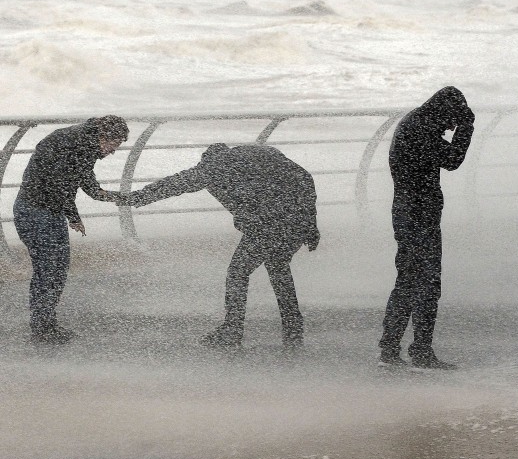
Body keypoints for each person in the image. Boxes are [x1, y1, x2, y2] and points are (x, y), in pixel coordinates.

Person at [127, 143, 319, 347]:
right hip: (295, 218)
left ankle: (232, 330)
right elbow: (302, 177)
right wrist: (310, 223)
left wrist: (139, 197)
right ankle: (292, 324)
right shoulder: (258, 158)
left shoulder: (217, 165)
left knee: (238, 272)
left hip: (271, 221)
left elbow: (178, 182)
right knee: (277, 265)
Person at [378, 86, 475, 370]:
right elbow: (453, 160)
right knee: (425, 283)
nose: (450, 127)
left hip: (412, 212)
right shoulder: (420, 128)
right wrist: (466, 128)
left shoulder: (416, 122)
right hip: (417, 214)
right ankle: (416, 351)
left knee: (410, 281)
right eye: (451, 120)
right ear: (443, 110)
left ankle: (394, 349)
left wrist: (460, 124)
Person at [14, 115, 130, 344]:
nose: (111, 152)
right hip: (35, 212)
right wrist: (74, 216)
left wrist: (111, 197)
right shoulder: (71, 142)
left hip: (48, 212)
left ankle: (46, 325)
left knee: (57, 269)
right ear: (103, 135)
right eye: (113, 146)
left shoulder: (84, 144)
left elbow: (83, 179)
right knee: (48, 271)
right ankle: (42, 329)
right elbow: (59, 183)